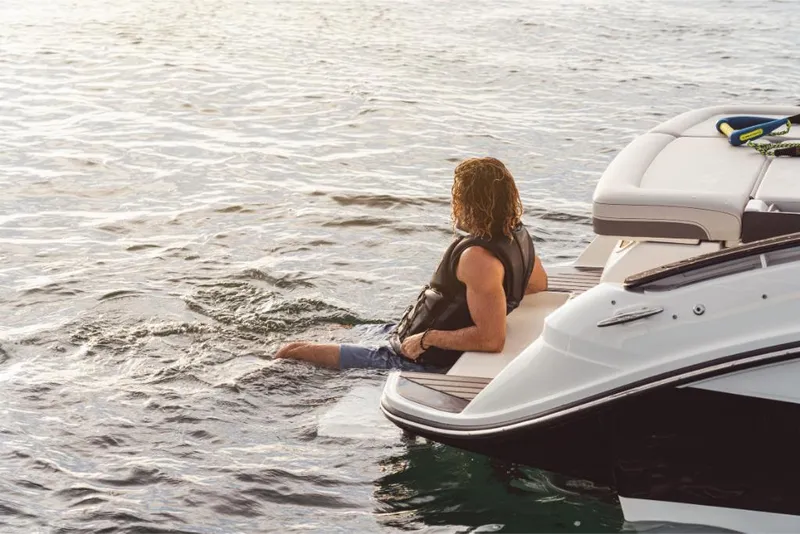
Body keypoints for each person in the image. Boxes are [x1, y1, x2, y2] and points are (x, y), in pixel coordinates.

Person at [275, 156, 548, 372]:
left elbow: (491, 340)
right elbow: (537, 285)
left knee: (294, 352)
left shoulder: (478, 259)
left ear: (469, 202)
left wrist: (428, 338)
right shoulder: (517, 236)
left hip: (417, 356)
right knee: (330, 329)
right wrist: (492, 302)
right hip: (405, 335)